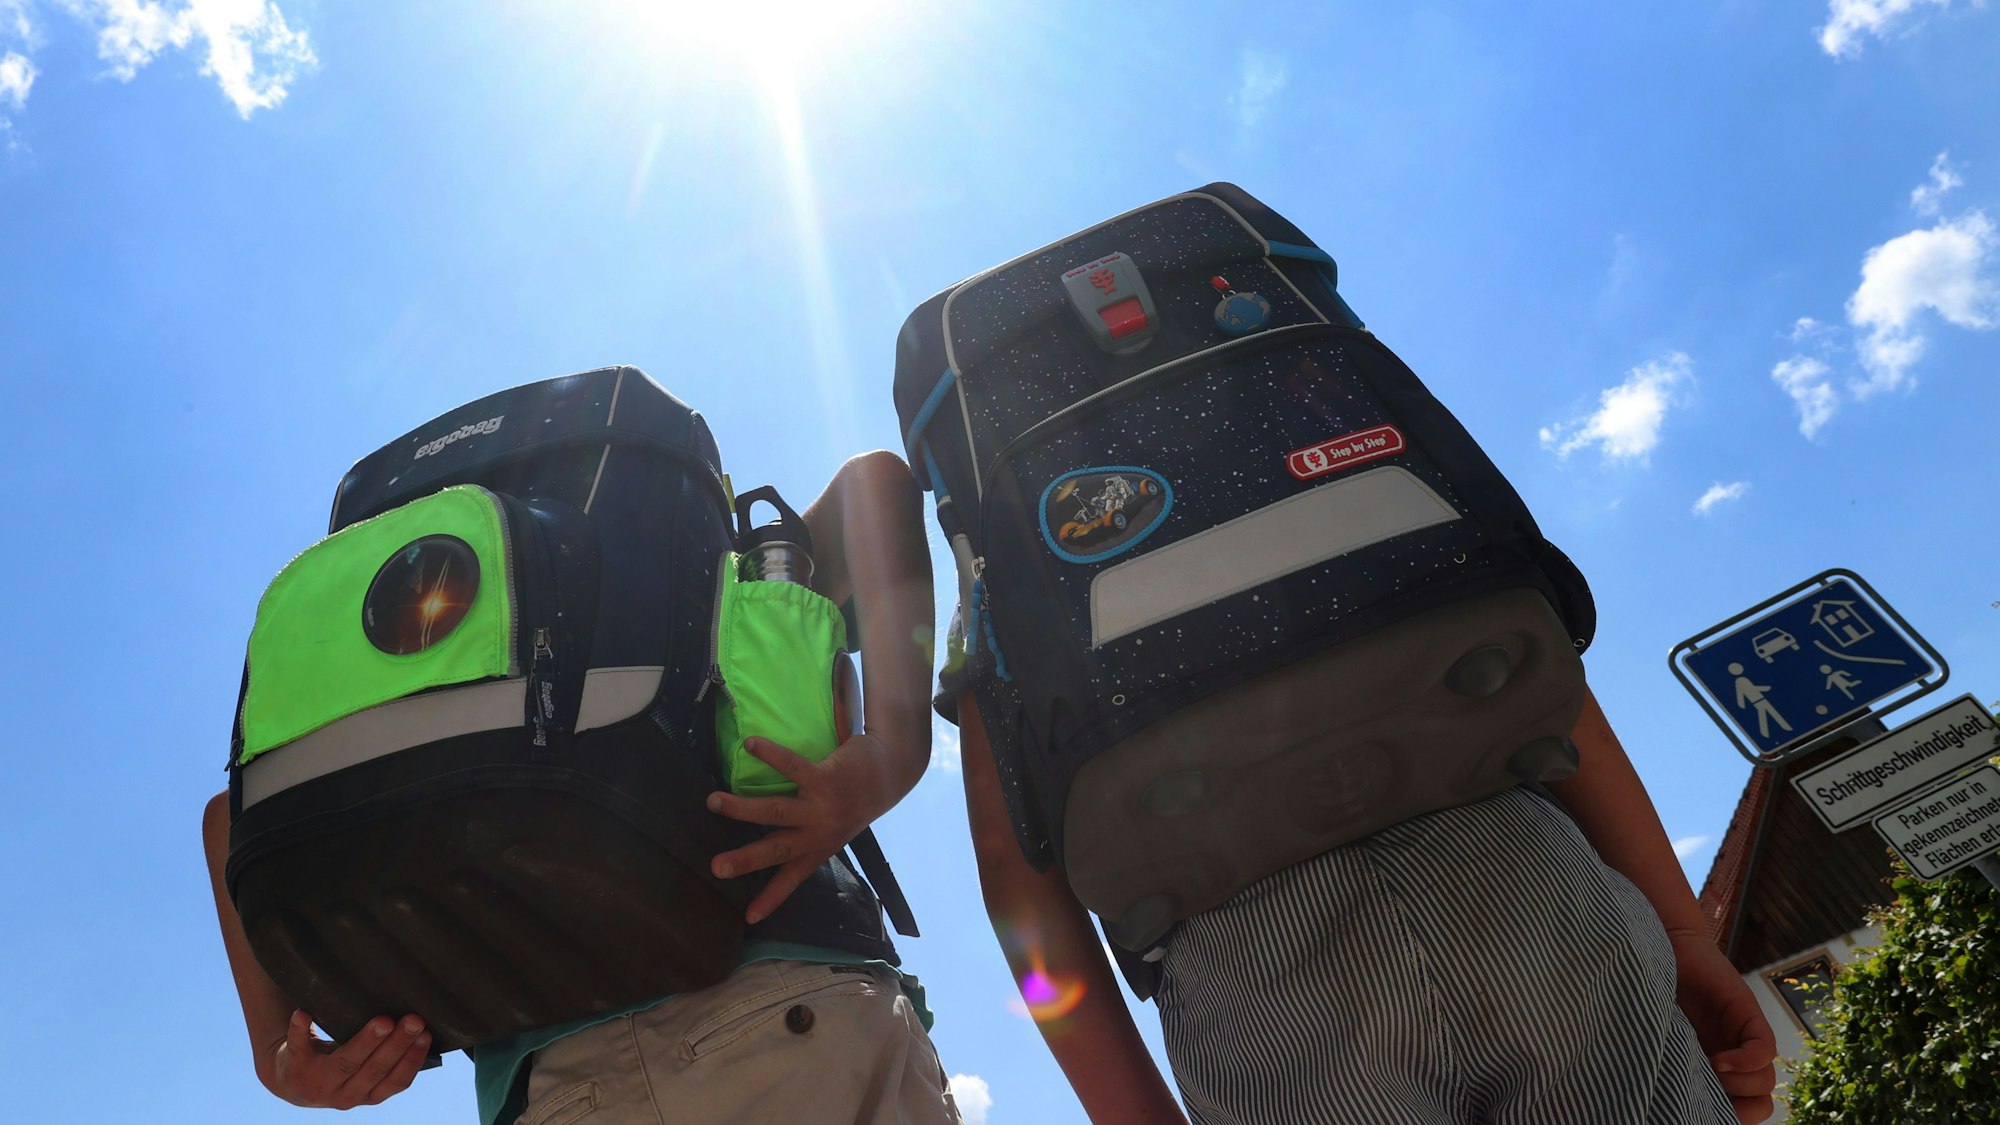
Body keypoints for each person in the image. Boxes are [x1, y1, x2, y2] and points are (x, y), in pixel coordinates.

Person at [205, 450, 960, 1125]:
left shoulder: (372, 696)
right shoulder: (667, 582)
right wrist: (888, 754)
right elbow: (876, 485)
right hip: (781, 992)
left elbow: (227, 819)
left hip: (554, 1085)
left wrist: (279, 1055)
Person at [952, 670, 1780, 1125]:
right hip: (1512, 865)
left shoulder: (996, 523)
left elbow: (1012, 861)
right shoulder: (1301, 379)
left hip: (1243, 960)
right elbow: (1547, 674)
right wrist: (1680, 930)